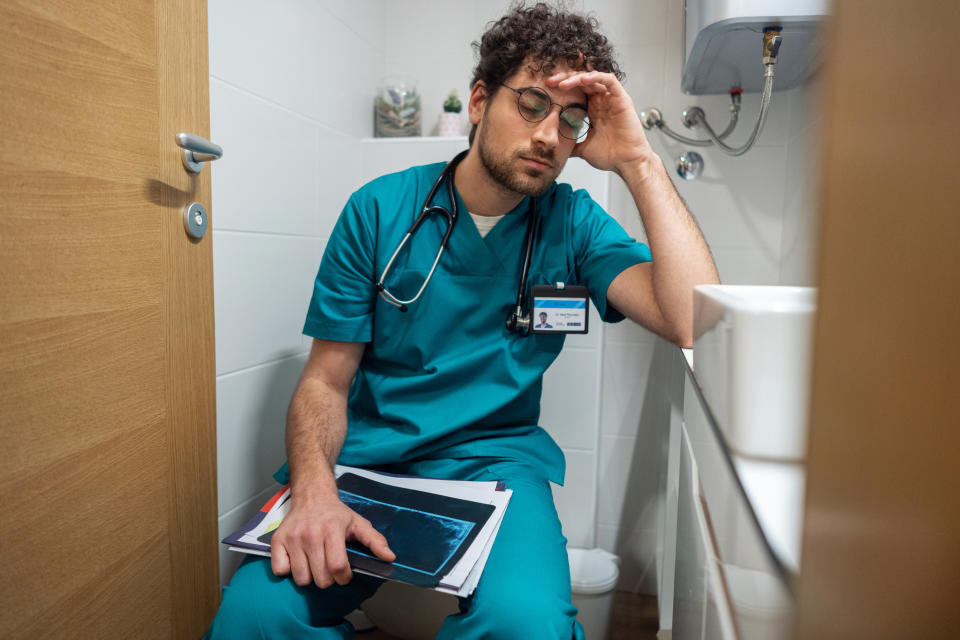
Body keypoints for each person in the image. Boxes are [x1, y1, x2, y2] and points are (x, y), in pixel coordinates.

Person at [205, 3, 718, 638]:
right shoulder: (378, 211)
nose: (549, 136)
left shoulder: (575, 223)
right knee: (254, 616)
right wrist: (313, 488)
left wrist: (641, 162)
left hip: (494, 467)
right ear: (479, 101)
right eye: (531, 103)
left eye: (572, 121)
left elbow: (694, 319)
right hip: (369, 461)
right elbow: (325, 381)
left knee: (527, 624)